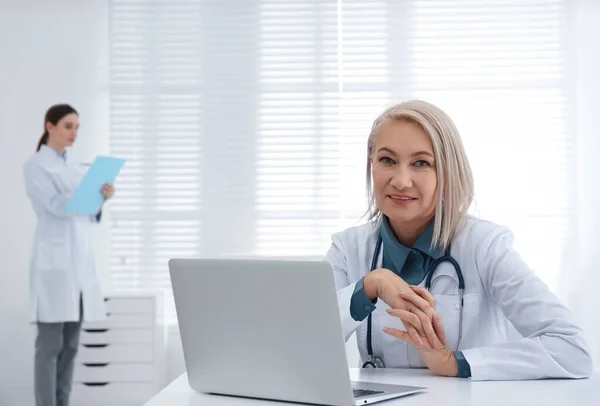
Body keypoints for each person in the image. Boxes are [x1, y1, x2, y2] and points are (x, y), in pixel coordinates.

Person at [325, 100, 593, 381]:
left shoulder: (485, 246)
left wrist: (456, 363)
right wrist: (369, 286)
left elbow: (572, 350)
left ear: (448, 171)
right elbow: (301, 347)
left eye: (421, 163)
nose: (401, 181)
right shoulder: (347, 249)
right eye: (387, 160)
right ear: (371, 164)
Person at [23, 104, 115, 406]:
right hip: (54, 267)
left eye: (77, 127)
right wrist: (86, 192)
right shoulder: (36, 165)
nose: (74, 132)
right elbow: (53, 205)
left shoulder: (75, 168)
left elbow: (85, 214)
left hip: (79, 266)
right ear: (49, 127)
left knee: (71, 345)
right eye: (67, 126)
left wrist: (99, 199)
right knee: (50, 345)